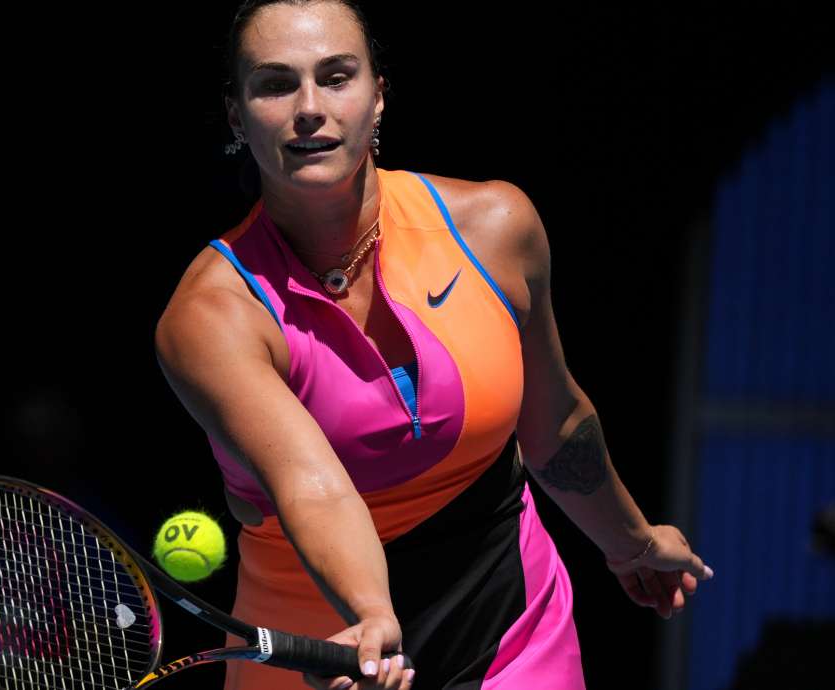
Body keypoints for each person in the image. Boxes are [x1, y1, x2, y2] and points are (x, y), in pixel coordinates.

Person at [153, 2, 713, 688]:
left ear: (378, 94)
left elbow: (555, 421)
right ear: (238, 117)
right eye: (275, 84)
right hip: (324, 651)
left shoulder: (494, 228)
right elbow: (313, 484)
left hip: (511, 624)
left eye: (337, 76)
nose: (309, 107)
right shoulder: (213, 315)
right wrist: (371, 614)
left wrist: (632, 543)